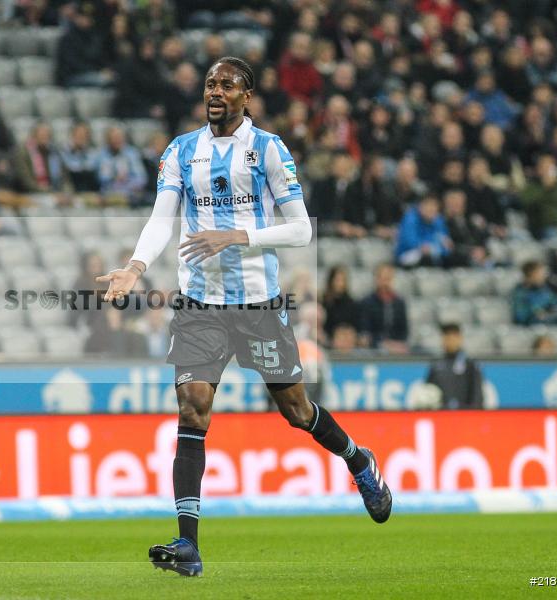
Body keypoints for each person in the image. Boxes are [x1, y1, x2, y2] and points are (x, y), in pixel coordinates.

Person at [96, 57, 391, 578]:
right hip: (198, 305)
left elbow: (301, 230)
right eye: (210, 83)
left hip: (258, 303)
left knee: (297, 412)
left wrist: (239, 236)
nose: (216, 91)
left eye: (227, 84)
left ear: (247, 96)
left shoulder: (270, 150)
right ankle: (188, 546)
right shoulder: (181, 151)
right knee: (192, 409)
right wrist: (136, 267)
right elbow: (162, 217)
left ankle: (358, 462)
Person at [426, 323, 484, 409]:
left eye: (453, 336)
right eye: (446, 336)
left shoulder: (470, 365)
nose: (449, 340)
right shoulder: (436, 365)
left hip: (464, 415)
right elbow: (429, 391)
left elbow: (477, 395)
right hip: (441, 415)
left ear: (460, 338)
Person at [358, 263, 409, 353]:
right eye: (383, 279)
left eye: (388, 279)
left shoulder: (399, 303)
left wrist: (396, 344)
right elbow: (365, 333)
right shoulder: (366, 302)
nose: (385, 282)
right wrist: (382, 344)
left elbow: (404, 331)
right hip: (373, 349)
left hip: (396, 348)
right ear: (376, 279)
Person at [512, 261, 557, 325]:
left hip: (549, 322)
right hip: (528, 326)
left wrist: (546, 315)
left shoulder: (546, 291)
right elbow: (520, 316)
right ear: (530, 274)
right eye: (539, 274)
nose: (543, 277)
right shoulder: (519, 293)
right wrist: (535, 313)